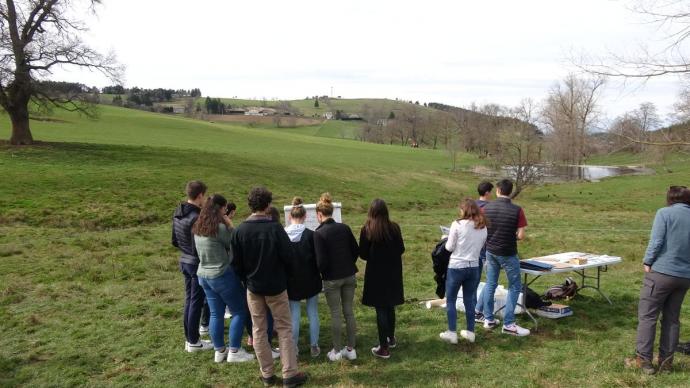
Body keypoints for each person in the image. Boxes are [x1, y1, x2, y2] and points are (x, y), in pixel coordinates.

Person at [231, 187, 307, 387]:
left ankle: (267, 373)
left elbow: (235, 264)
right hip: (275, 287)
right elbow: (289, 258)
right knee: (284, 329)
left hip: (254, 288)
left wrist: (247, 279)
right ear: (267, 205)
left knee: (259, 329)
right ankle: (289, 373)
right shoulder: (275, 229)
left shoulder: (239, 230)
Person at [626, 186, 690, 374]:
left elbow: (656, 241)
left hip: (661, 274)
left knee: (648, 316)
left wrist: (647, 261)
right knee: (672, 319)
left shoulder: (664, 213)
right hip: (685, 277)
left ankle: (644, 361)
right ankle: (666, 364)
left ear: (670, 198)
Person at [193, 194, 254, 363]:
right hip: (221, 275)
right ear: (219, 209)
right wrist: (230, 225)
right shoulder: (219, 229)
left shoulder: (198, 227)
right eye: (225, 209)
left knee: (215, 314)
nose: (226, 212)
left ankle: (219, 351)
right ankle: (234, 351)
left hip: (204, 275)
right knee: (239, 311)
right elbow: (235, 242)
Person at [313, 193, 360, 362]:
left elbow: (321, 262)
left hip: (331, 278)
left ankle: (337, 350)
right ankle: (351, 349)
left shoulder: (318, 234)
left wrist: (325, 273)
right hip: (349, 275)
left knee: (335, 314)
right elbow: (356, 251)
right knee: (349, 312)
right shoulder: (345, 228)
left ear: (319, 215)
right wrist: (347, 264)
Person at [481, 179, 530, 336]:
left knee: (490, 283)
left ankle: (488, 319)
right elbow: (521, 236)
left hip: (491, 251)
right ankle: (509, 323)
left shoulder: (487, 207)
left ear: (497, 191)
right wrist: (512, 236)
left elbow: (481, 229)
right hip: (508, 253)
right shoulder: (517, 210)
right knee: (515, 286)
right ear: (510, 192)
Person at [359, 199, 405, 359]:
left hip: (376, 274)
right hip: (392, 272)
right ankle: (390, 338)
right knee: (390, 305)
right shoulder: (394, 227)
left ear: (371, 212)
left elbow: (363, 254)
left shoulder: (367, 229)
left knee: (381, 308)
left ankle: (384, 348)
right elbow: (401, 249)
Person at [172, 180, 212, 353]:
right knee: (196, 302)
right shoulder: (197, 217)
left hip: (184, 260)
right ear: (200, 195)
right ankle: (194, 341)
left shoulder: (178, 213)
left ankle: (189, 339)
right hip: (196, 263)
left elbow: (174, 240)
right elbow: (202, 244)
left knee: (189, 300)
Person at [440, 199, 488, 344]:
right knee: (469, 301)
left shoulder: (457, 224)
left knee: (451, 300)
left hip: (457, 266)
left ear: (464, 210)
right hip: (473, 266)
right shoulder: (483, 227)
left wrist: (446, 238)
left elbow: (449, 248)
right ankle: (470, 332)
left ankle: (452, 332)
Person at [285, 197, 322, 358]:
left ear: (289, 217)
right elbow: (318, 259)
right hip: (311, 279)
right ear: (305, 216)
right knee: (313, 312)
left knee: (294, 315)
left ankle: (294, 347)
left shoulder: (282, 235)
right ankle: (314, 345)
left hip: (291, 280)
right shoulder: (312, 235)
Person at [474, 181, 493, 324]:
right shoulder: (489, 208)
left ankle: (474, 310)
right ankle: (479, 311)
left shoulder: (472, 206)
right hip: (486, 249)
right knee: (490, 282)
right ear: (487, 193)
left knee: (474, 282)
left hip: (473, 249)